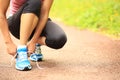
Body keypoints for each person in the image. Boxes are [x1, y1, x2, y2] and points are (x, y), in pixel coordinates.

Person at [0, 0, 67, 71]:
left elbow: (44, 14)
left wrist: (33, 41)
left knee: (59, 39)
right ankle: (22, 51)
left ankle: (36, 44)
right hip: (16, 25)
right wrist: (8, 43)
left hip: (37, 20)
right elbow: (1, 13)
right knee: (35, 1)